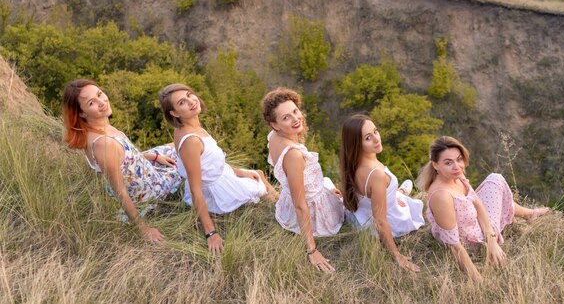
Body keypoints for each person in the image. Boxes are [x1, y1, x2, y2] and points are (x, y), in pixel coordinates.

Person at [159, 83, 276, 253]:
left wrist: (239, 172)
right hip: (215, 192)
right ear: (174, 113)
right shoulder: (191, 141)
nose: (191, 101)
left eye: (190, 95)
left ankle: (276, 198)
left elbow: (210, 164)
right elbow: (195, 189)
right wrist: (211, 233)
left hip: (221, 175)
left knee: (256, 173)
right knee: (260, 180)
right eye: (182, 102)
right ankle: (279, 204)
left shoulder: (192, 127)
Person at [62, 79, 182, 243]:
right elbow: (120, 192)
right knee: (188, 154)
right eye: (91, 102)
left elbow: (126, 159)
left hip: (141, 169)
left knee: (176, 144)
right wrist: (143, 228)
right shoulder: (104, 144)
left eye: (99, 94)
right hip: (149, 188)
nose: (102, 102)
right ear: (81, 113)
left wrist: (153, 157)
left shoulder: (99, 126)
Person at [417, 136, 549, 282]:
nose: (457, 166)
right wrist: (479, 281)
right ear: (435, 165)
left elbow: (478, 204)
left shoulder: (456, 176)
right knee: (496, 182)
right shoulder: (441, 196)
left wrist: (492, 242)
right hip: (471, 242)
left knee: (495, 181)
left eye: (459, 159)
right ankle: (530, 214)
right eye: (448, 162)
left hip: (474, 221)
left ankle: (530, 214)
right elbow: (455, 247)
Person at [261, 88, 344, 272]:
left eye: (295, 111)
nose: (295, 118)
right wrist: (312, 250)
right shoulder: (294, 155)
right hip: (310, 212)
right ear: (275, 124)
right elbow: (300, 204)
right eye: (286, 118)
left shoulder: (274, 136)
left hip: (289, 199)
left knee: (329, 184)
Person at [340, 114, 424, 272]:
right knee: (409, 197)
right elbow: (380, 221)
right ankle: (400, 193)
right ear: (356, 144)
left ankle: (398, 193)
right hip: (383, 220)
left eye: (375, 131)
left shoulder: (354, 163)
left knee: (401, 191)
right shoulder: (376, 175)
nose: (376, 139)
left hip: (361, 215)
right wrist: (397, 255)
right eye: (368, 137)